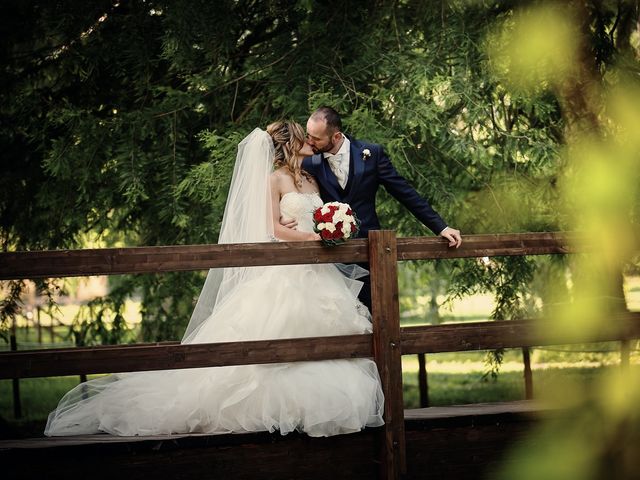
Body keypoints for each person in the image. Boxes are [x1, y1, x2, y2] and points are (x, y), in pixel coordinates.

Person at [44, 122, 384, 438]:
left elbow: (315, 214)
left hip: (319, 271)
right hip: (289, 269)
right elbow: (273, 228)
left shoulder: (310, 178)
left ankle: (320, 407)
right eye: (304, 137)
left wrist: (329, 227)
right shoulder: (274, 179)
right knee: (276, 334)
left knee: (327, 336)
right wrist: (308, 239)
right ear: (291, 144)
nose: (311, 143)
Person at [288, 106, 462, 309]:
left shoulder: (372, 154)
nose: (309, 142)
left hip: (372, 251)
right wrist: (286, 218)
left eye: (315, 138)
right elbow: (295, 195)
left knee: (377, 313)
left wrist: (441, 227)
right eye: (308, 135)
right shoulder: (309, 162)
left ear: (336, 137)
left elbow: (405, 192)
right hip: (330, 258)